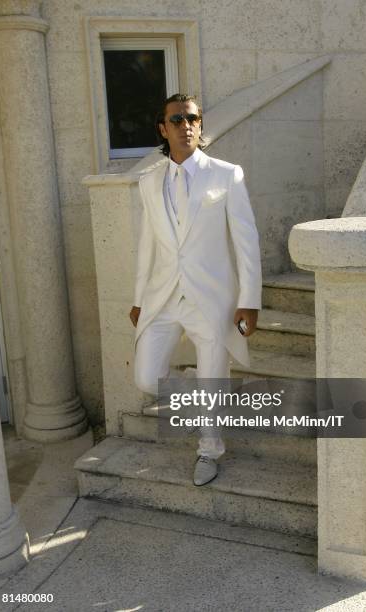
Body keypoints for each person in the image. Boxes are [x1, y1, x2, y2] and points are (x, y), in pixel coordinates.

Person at [129, 93, 262, 486]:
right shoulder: (149, 182)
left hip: (212, 300)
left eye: (192, 118)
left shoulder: (226, 174)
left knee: (212, 379)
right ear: (163, 128)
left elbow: (246, 241)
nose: (185, 125)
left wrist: (249, 301)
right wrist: (138, 298)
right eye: (176, 119)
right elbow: (147, 244)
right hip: (163, 297)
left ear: (200, 125)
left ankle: (209, 449)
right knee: (146, 378)